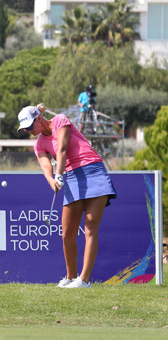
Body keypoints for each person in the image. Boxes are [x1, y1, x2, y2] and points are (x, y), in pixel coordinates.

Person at [17, 104, 117, 288]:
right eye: (25, 129)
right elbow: (45, 166)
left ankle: (84, 280)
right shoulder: (39, 144)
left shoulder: (60, 120)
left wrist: (59, 174)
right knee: (67, 234)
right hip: (71, 178)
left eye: (30, 126)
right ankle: (71, 277)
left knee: (90, 227)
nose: (28, 130)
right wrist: (51, 180)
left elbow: (62, 149)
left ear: (39, 119)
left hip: (92, 170)